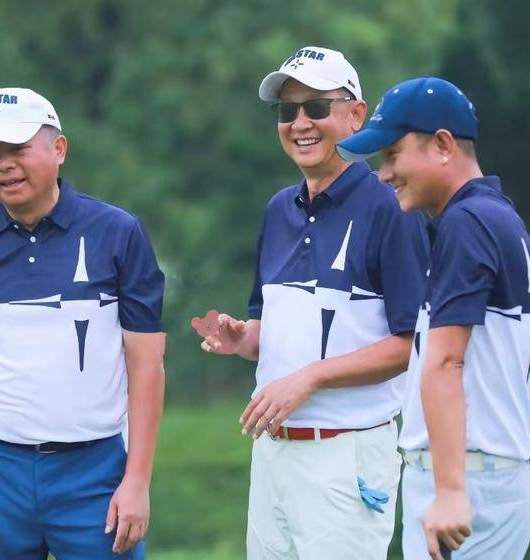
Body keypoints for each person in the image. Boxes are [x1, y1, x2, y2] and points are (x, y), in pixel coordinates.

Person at [191, 47, 428, 559]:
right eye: (287, 110)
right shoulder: (279, 209)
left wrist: (312, 378)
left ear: (356, 115)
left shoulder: (391, 206)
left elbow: (411, 345)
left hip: (346, 452)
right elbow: (268, 331)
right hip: (272, 452)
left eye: (317, 107)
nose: (300, 123)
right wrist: (242, 339)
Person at [0, 87, 165, 560]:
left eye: (18, 148)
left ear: (59, 149)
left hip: (94, 469)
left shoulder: (118, 233)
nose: (3, 164)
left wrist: (137, 480)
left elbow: (146, 366)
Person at [337, 76, 530, 559]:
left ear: (443, 145)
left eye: (393, 155)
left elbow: (446, 362)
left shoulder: (469, 223)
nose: (384, 174)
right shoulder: (489, 218)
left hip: (469, 481)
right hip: (477, 475)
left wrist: (449, 491)